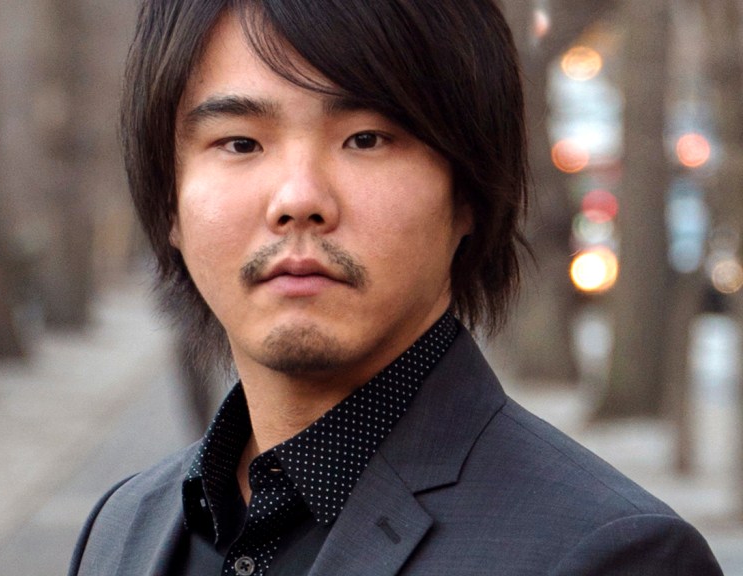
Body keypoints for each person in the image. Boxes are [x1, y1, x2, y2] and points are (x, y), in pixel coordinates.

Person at [69, 0, 724, 574]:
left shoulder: (608, 554)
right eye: (239, 143)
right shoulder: (122, 529)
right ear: (170, 206)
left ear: (467, 192)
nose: (298, 200)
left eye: (366, 139)